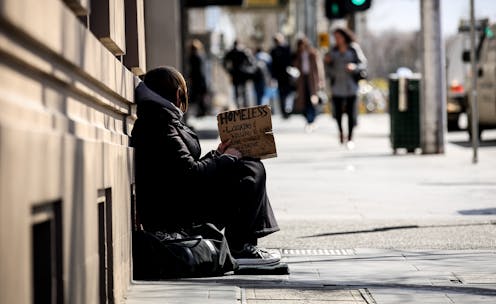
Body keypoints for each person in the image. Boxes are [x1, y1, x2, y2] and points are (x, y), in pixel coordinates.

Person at [130, 66, 280, 267]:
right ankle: (240, 246)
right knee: (248, 170)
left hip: (179, 200)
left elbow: (183, 168)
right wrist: (225, 159)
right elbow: (189, 174)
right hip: (174, 213)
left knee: (249, 163)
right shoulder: (159, 124)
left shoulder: (161, 118)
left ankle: (242, 244)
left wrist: (218, 154)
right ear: (176, 94)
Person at [324, 27, 367, 149]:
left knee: (351, 113)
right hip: (337, 86)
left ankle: (350, 138)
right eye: (335, 37)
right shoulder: (333, 50)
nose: (337, 39)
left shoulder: (353, 48)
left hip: (351, 86)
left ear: (344, 36)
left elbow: (363, 63)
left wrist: (354, 67)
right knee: (337, 113)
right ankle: (341, 132)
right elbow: (327, 69)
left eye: (339, 36)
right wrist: (327, 62)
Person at [293, 36, 325, 131]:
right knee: (304, 101)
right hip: (302, 80)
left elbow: (319, 69)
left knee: (313, 101)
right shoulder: (298, 55)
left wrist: (320, 81)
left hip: (313, 80)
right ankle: (308, 120)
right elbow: (295, 67)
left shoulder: (313, 53)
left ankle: (312, 120)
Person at [222, 40, 251, 108]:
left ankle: (238, 106)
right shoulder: (243, 51)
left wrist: (228, 70)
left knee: (236, 92)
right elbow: (250, 62)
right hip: (243, 73)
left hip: (234, 73)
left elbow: (224, 62)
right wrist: (246, 69)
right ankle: (245, 106)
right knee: (244, 91)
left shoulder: (231, 52)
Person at [270, 33, 292, 118]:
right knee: (282, 94)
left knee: (288, 93)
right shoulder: (274, 51)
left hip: (287, 75)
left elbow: (290, 60)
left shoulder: (287, 48)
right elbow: (273, 65)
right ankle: (284, 110)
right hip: (280, 76)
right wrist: (273, 77)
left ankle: (287, 109)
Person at [187, 39, 209, 117]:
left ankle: (200, 112)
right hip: (202, 79)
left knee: (197, 96)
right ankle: (202, 112)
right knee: (201, 96)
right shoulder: (202, 55)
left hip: (197, 79)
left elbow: (194, 70)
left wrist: (191, 78)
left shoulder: (194, 56)